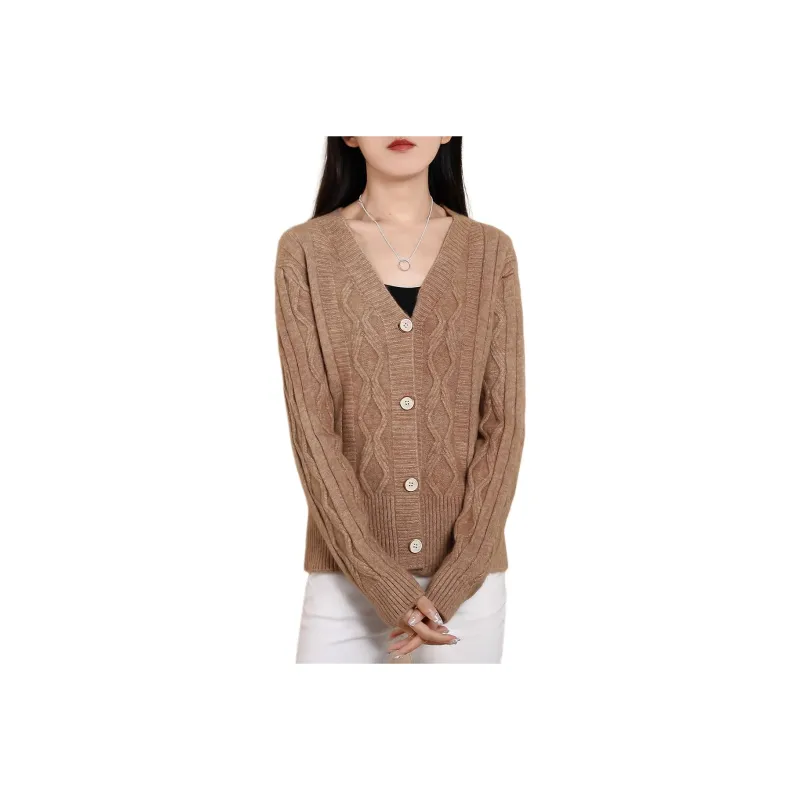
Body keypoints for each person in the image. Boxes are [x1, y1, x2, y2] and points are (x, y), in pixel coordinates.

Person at [274, 136, 526, 663]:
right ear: (348, 132)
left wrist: (458, 577)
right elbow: (311, 430)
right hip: (343, 584)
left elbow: (504, 424)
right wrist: (381, 580)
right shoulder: (306, 251)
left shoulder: (489, 252)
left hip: (468, 590)